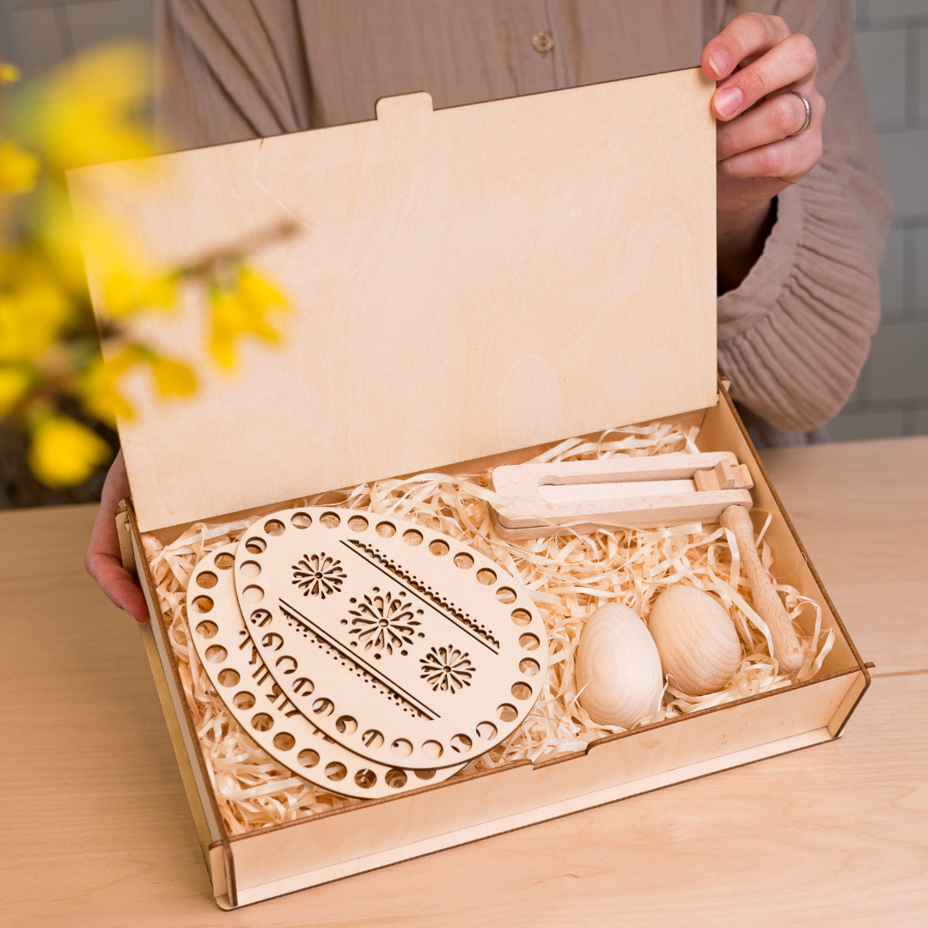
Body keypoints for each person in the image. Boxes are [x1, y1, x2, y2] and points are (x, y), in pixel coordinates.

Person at [86, 0, 892, 623]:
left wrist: (737, 210)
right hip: (396, 552)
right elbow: (229, 314)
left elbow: (812, 376)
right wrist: (191, 442)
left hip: (725, 553)